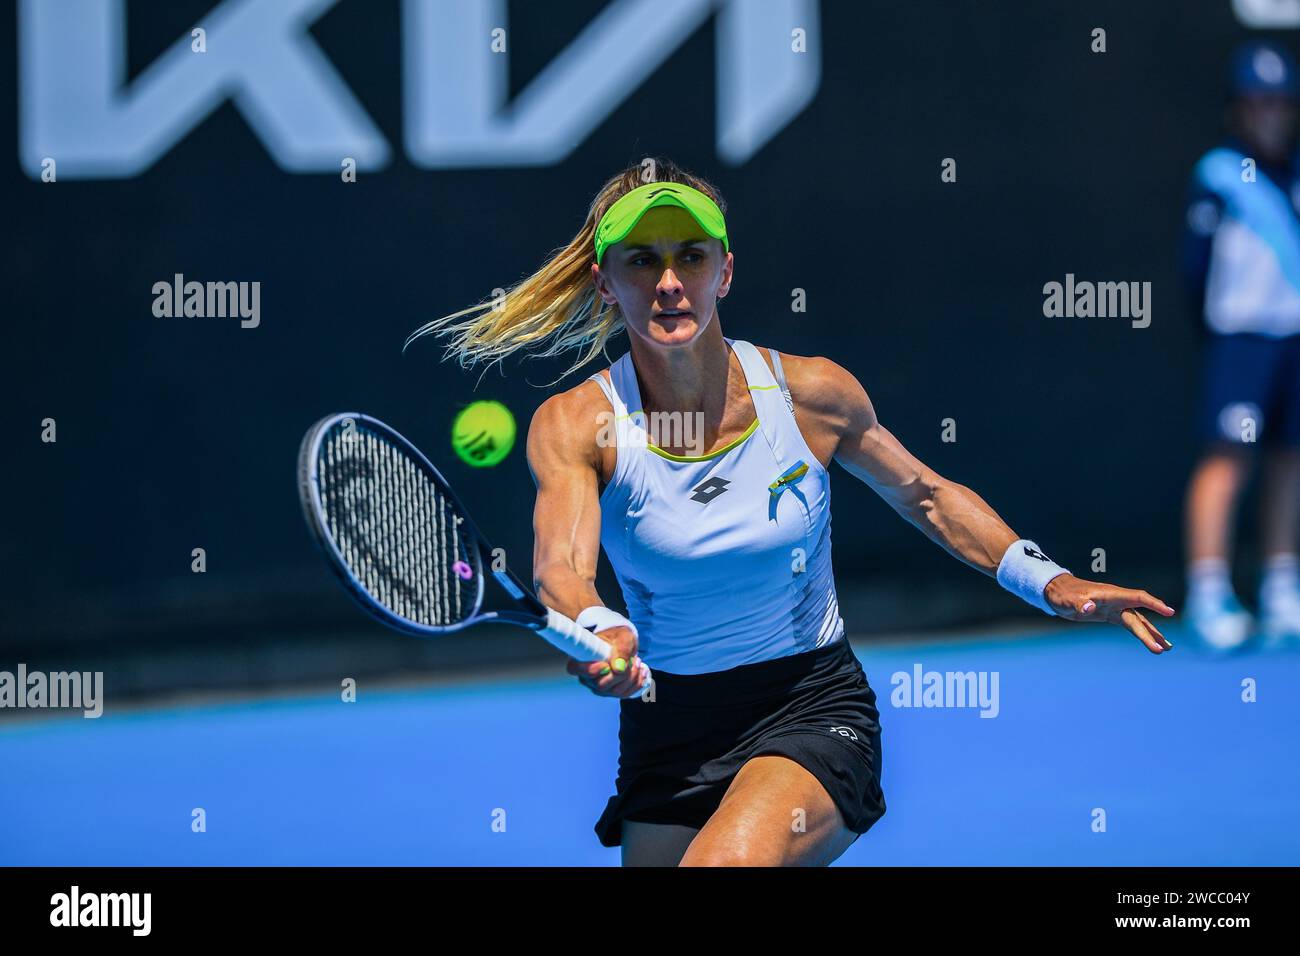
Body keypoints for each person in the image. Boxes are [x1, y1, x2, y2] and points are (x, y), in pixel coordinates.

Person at [410, 158, 1173, 867]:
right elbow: (560, 569)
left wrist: (1050, 581)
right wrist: (599, 627)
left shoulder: (810, 394)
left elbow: (928, 497)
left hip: (810, 705)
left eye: (691, 256)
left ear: (725, 272)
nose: (669, 281)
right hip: (667, 724)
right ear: (606, 282)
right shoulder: (577, 425)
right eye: (642, 260)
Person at [1182, 41, 1300, 651]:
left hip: (1294, 341)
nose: (1270, 113)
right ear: (1239, 108)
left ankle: (1282, 587)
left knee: (1289, 460)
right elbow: (1194, 269)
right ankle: (1209, 591)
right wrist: (1221, 330)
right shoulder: (1220, 173)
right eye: (1258, 102)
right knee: (1228, 460)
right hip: (1242, 342)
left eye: (1279, 101)